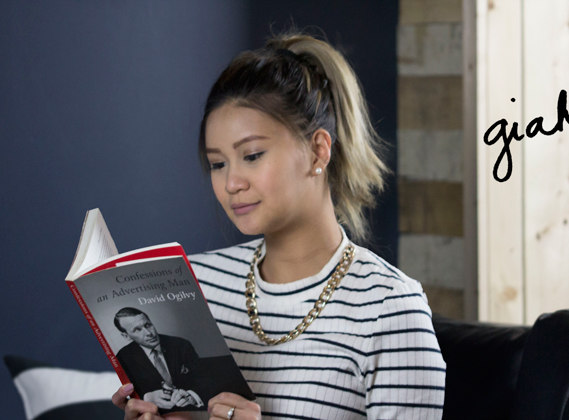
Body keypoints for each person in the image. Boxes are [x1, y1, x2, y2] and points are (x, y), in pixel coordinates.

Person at [113, 31, 446, 420]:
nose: (231, 182)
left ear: (318, 150)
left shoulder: (389, 309)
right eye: (218, 163)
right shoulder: (195, 287)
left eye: (252, 156)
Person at [114, 308, 205, 413]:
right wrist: (147, 398)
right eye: (137, 330)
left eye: (148, 325)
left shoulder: (181, 345)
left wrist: (192, 396)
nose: (149, 333)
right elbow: (128, 396)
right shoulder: (122, 358)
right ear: (126, 336)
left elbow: (206, 378)